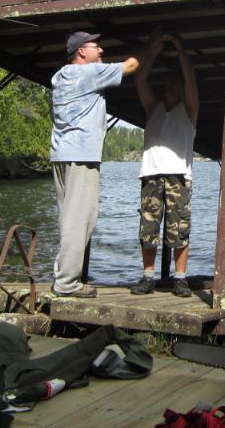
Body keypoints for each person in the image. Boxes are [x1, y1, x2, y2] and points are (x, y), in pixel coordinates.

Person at [50, 29, 162, 298]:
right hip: (82, 156)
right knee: (81, 220)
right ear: (81, 52)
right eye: (95, 47)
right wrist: (152, 44)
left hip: (61, 155)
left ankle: (62, 276)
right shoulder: (87, 73)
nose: (101, 51)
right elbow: (132, 66)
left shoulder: (61, 76)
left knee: (68, 219)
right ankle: (67, 283)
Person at [131, 34, 198, 297]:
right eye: (166, 84)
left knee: (179, 229)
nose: (169, 87)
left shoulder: (190, 109)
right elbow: (140, 79)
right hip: (151, 176)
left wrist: (180, 48)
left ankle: (180, 279)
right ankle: (148, 277)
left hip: (179, 177)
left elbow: (191, 79)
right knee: (148, 229)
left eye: (174, 84)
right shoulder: (153, 107)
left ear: (181, 88)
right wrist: (153, 50)